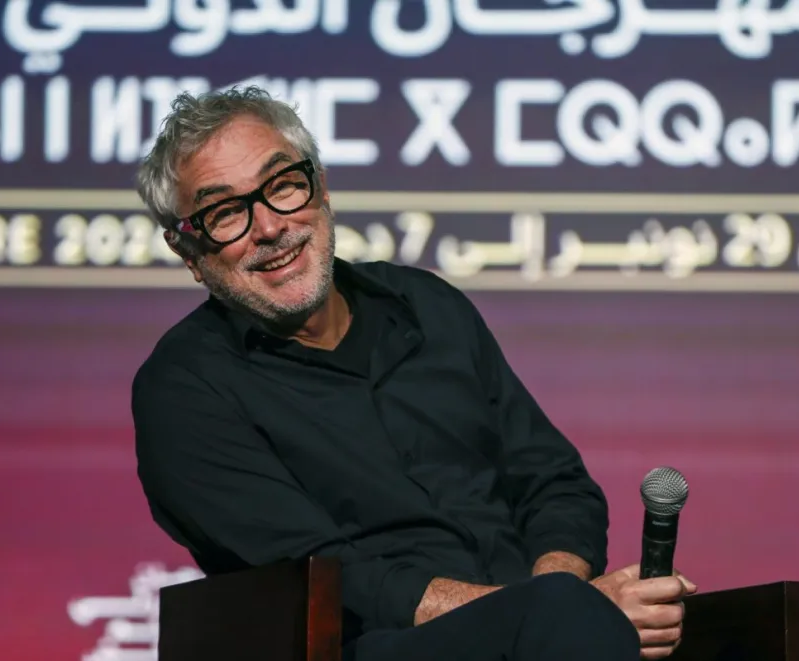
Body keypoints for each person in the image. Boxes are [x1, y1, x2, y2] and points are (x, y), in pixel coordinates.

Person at [131, 86, 695, 661]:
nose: (270, 227)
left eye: (282, 186)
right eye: (225, 213)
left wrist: (561, 597)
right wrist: (549, 615)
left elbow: (553, 483)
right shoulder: (183, 391)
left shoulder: (427, 305)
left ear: (321, 187)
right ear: (188, 252)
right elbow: (334, 579)